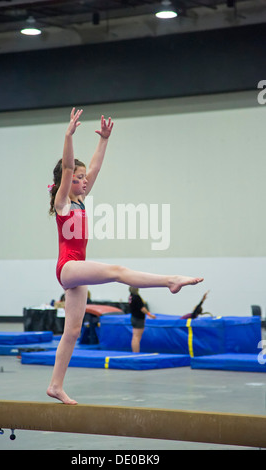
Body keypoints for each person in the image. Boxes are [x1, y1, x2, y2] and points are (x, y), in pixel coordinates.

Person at [47, 107, 204, 404]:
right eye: (78, 178)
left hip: (76, 273)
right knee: (118, 271)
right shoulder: (63, 202)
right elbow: (68, 169)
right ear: (67, 182)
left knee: (73, 331)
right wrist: (68, 136)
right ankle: (170, 280)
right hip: (68, 267)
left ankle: (55, 385)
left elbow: (93, 169)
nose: (83, 180)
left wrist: (103, 140)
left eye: (82, 178)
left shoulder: (80, 200)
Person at [128, 287, 156, 353]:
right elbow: (142, 309)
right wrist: (150, 315)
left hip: (134, 318)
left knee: (135, 336)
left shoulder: (130, 296)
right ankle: (136, 353)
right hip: (138, 319)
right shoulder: (137, 297)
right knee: (137, 337)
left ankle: (134, 352)